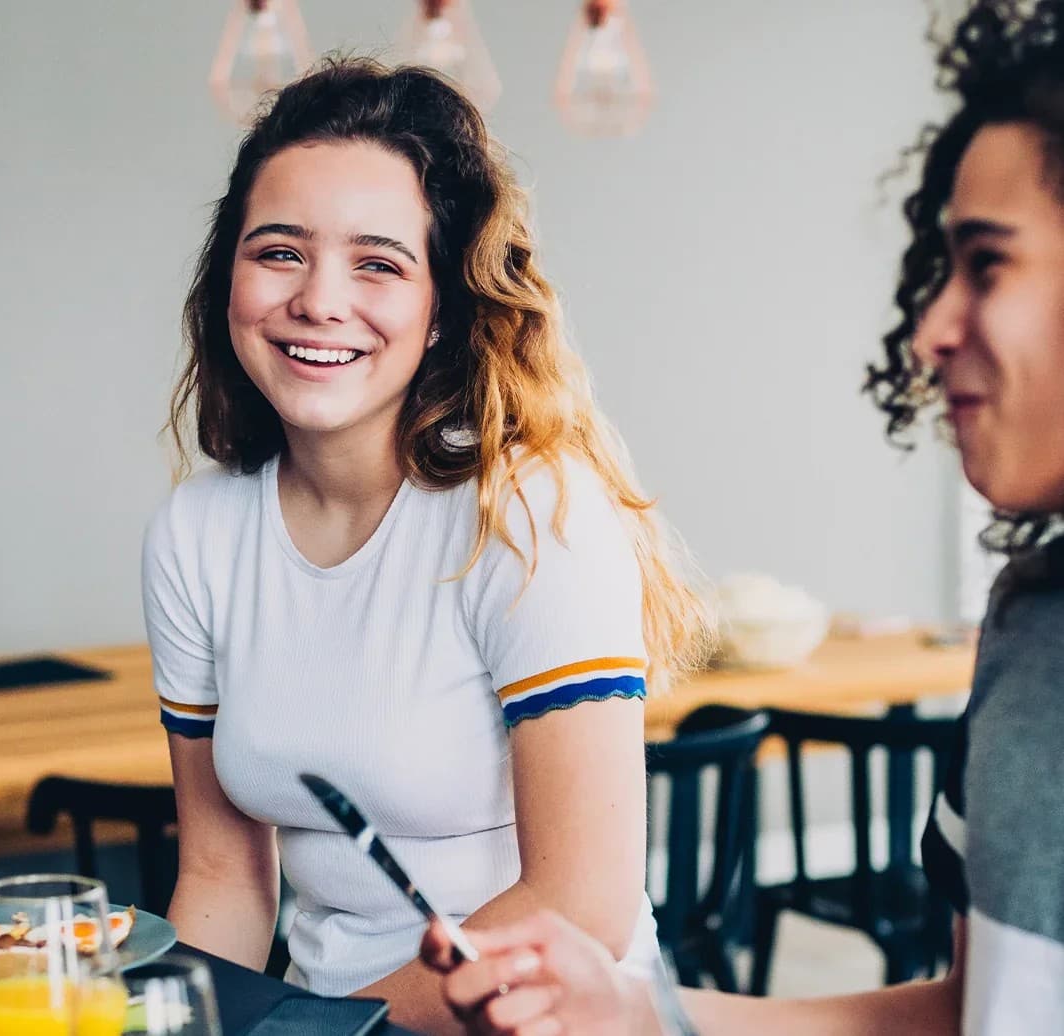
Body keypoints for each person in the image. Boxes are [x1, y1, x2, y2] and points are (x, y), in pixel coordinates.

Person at [422, 1, 1064, 1032]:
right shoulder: (1033, 635)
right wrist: (640, 1013)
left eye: (987, 264)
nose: (933, 327)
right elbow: (975, 1014)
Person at [141, 57, 711, 1033]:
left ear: (442, 303)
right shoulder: (196, 535)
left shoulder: (531, 514)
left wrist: (310, 1031)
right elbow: (223, 876)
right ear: (226, 273)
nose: (320, 299)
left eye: (378, 262)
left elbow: (580, 903)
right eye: (279, 251)